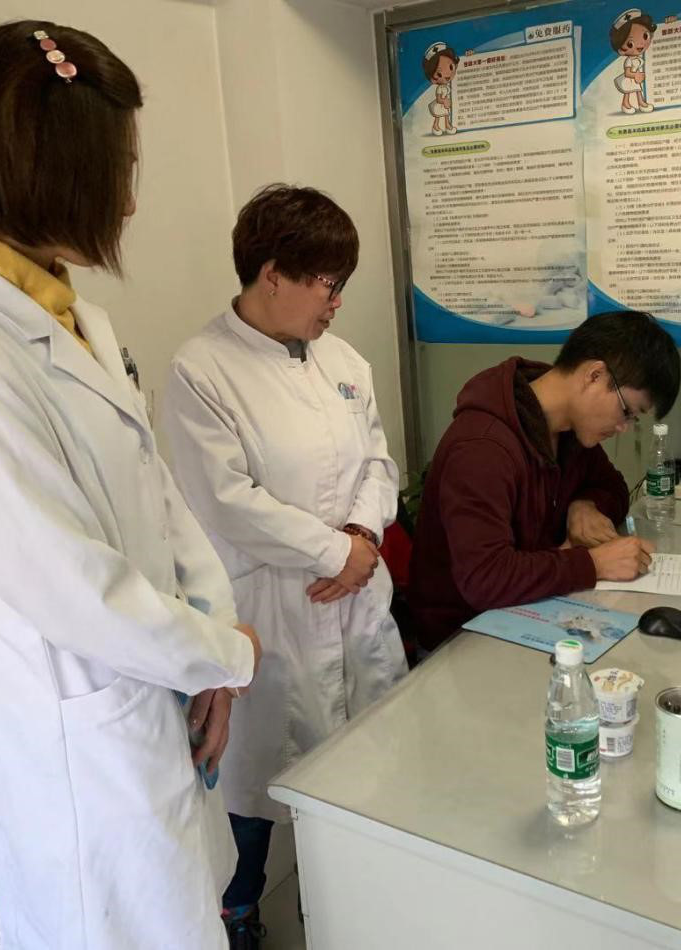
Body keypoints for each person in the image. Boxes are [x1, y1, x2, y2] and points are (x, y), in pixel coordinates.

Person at [0, 22, 260, 949]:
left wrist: (214, 655)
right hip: (89, 769)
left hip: (159, 711)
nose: (128, 201)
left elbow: (157, 493)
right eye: (116, 171)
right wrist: (222, 654)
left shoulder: (72, 315)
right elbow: (75, 590)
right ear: (44, 173)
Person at [164, 184, 408, 947]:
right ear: (272, 274)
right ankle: (239, 911)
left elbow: (378, 461)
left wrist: (361, 537)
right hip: (271, 609)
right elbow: (228, 500)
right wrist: (339, 553)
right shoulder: (201, 369)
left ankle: (360, 907)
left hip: (353, 599)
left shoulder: (344, 361)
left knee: (368, 766)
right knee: (257, 786)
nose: (336, 302)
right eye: (327, 284)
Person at [409, 311, 681, 651]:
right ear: (594, 375)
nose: (623, 427)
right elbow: (485, 577)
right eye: (627, 411)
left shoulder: (569, 431)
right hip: (462, 642)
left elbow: (613, 487)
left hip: (531, 613)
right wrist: (595, 563)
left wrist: (584, 505)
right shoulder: (482, 447)